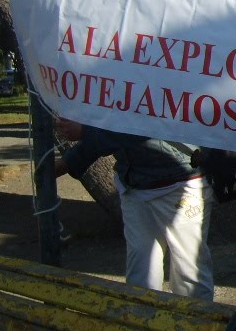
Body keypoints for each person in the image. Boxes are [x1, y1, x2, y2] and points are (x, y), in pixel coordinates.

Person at [54, 119, 215, 300]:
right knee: (141, 273)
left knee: (190, 273)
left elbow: (142, 121)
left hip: (180, 184)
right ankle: (143, 322)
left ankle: (198, 325)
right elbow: (114, 120)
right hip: (135, 185)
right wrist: (69, 160)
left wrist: (85, 133)